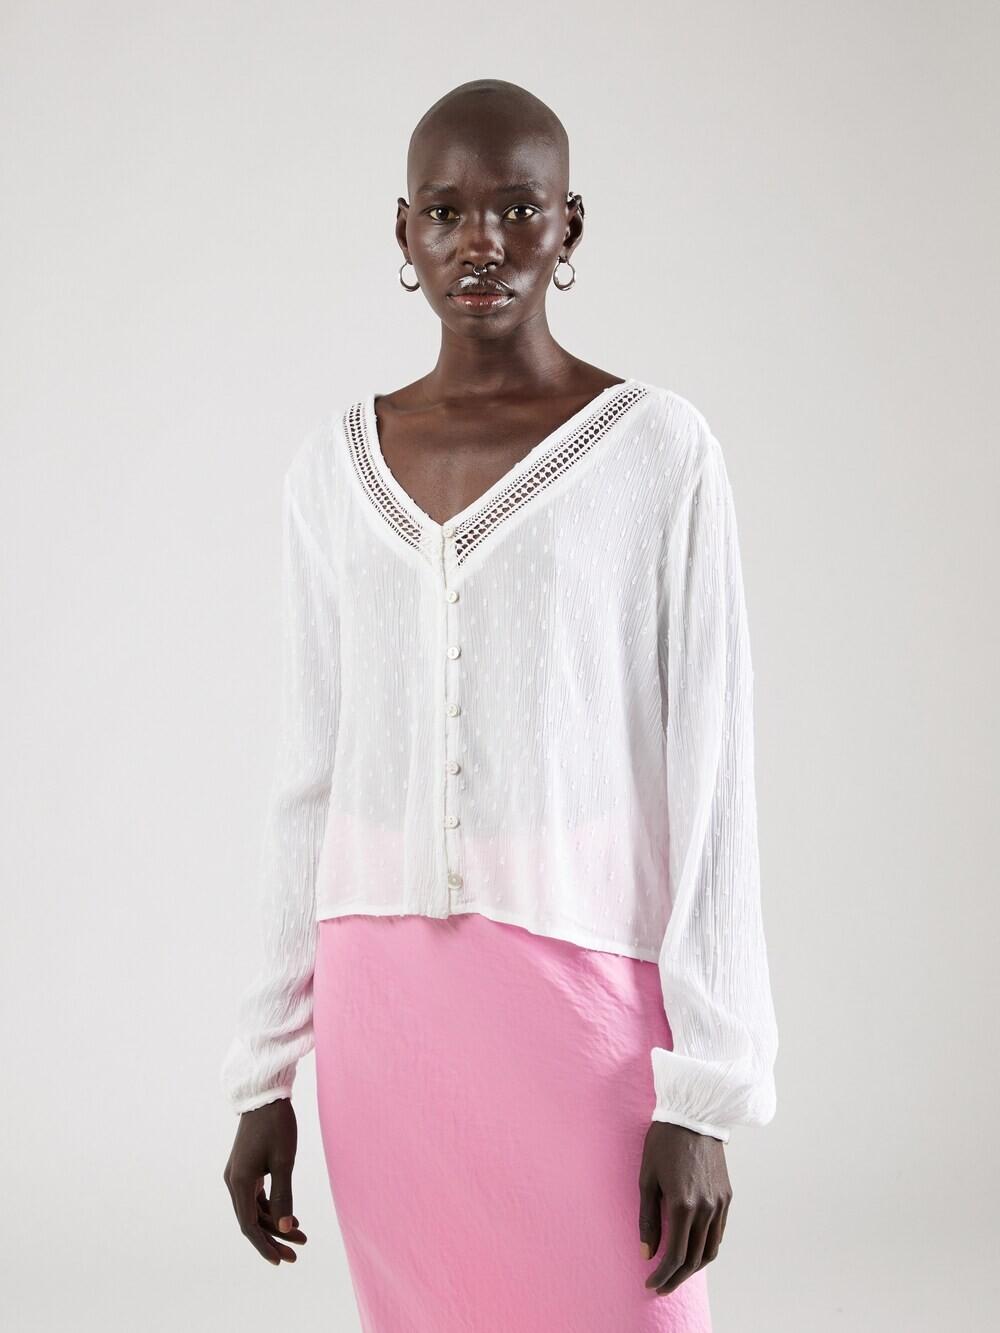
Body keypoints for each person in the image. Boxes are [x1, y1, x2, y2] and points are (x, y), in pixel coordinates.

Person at [221, 78, 779, 1332]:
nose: (480, 242)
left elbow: (712, 766)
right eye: (445, 212)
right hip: (379, 1006)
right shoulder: (331, 469)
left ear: (568, 225)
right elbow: (308, 772)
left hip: (582, 991)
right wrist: (263, 1072)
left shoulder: (656, 450)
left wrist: (703, 1089)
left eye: (517, 209)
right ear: (402, 231)